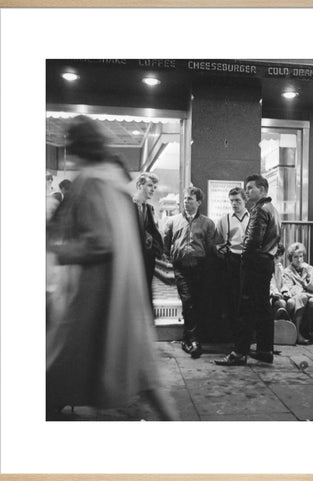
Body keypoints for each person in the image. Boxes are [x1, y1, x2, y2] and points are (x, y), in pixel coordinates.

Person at [46, 115, 176, 420]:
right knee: (144, 374)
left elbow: (100, 241)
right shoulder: (113, 182)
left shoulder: (91, 182)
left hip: (95, 296)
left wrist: (57, 250)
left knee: (65, 367)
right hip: (122, 294)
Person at [216, 174, 281, 366]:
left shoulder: (259, 210)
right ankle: (265, 350)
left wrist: (245, 259)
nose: (247, 191)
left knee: (245, 309)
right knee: (263, 308)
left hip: (254, 265)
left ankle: (239, 353)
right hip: (266, 263)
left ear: (262, 190)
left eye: (251, 188)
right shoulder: (273, 209)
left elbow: (252, 241)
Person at [163, 186, 216, 359]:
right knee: (187, 301)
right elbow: (166, 242)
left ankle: (189, 338)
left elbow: (210, 247)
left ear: (199, 202)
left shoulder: (208, 223)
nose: (186, 202)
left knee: (198, 302)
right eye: (185, 199)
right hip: (181, 267)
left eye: (190, 199)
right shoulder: (173, 221)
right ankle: (193, 340)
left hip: (200, 267)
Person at [215, 187, 250, 338]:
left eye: (238, 200)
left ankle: (247, 336)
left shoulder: (252, 218)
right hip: (231, 261)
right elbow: (217, 242)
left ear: (245, 200)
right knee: (232, 298)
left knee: (247, 299)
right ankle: (234, 335)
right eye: (232, 201)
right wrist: (221, 250)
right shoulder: (225, 220)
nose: (234, 204)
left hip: (248, 261)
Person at [282, 242, 313, 344]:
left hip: (309, 295)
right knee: (303, 298)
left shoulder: (309, 269)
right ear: (291, 258)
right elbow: (289, 287)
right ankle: (298, 333)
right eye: (295, 257)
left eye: (301, 256)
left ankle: (308, 330)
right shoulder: (287, 271)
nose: (299, 259)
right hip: (296, 296)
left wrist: (309, 277)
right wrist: (302, 290)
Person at [133, 172, 164, 299]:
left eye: (154, 187)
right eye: (150, 185)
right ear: (140, 185)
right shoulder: (127, 206)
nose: (153, 190)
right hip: (132, 259)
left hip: (147, 259)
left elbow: (153, 231)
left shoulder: (149, 208)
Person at [269, 243, 291, 321]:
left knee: (288, 303)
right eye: (276, 256)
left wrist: (285, 291)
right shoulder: (265, 266)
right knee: (281, 304)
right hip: (269, 297)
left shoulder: (279, 267)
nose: (277, 259)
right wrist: (273, 293)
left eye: (279, 256)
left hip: (279, 296)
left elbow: (284, 282)